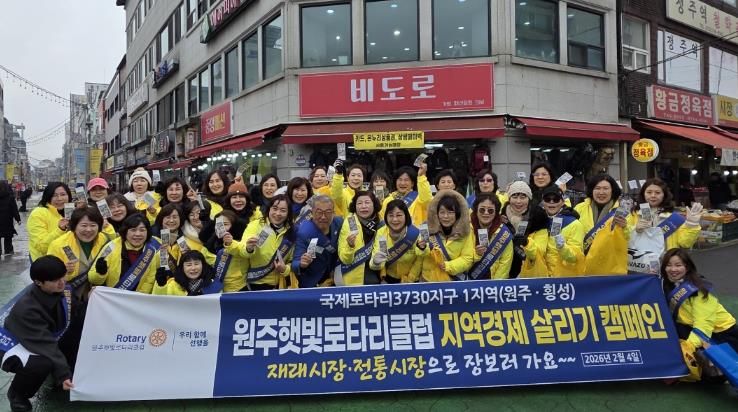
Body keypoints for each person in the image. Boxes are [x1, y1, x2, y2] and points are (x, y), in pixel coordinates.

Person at [1, 256, 81, 412]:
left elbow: (77, 311)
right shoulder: (27, 309)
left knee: (75, 330)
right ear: (38, 282)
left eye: (63, 276)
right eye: (55, 280)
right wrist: (63, 374)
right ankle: (18, 395)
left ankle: (61, 376)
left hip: (37, 337)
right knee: (41, 363)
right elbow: (45, 345)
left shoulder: (62, 290)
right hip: (10, 344)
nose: (62, 282)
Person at [662, 249, 738, 361]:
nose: (673, 269)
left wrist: (687, 348)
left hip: (721, 334)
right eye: (668, 265)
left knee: (728, 368)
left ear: (687, 267)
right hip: (689, 329)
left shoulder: (698, 288)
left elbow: (704, 324)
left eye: (678, 265)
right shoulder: (666, 284)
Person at [225, 194, 295, 290]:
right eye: (274, 209)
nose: (278, 213)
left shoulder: (292, 231)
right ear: (269, 209)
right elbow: (241, 250)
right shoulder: (255, 225)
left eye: (283, 210)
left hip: (280, 285)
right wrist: (249, 248)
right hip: (255, 284)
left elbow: (293, 261)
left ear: (288, 213)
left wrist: (285, 269)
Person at [88, 213, 161, 293]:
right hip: (112, 297)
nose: (138, 234)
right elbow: (92, 279)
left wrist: (138, 298)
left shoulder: (152, 250)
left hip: (138, 298)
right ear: (125, 231)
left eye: (142, 230)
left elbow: (149, 281)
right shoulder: (111, 247)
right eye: (133, 230)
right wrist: (100, 273)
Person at [47, 207, 111, 299]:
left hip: (99, 295)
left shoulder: (105, 240)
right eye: (84, 225)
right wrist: (62, 272)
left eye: (93, 225)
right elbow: (49, 275)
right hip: (70, 296)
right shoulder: (58, 245)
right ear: (74, 226)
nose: (88, 230)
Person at [574, 174, 629, 275]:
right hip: (583, 265)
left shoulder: (622, 211)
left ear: (612, 190)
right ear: (592, 190)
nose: (601, 192)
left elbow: (629, 238)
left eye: (605, 188)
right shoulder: (579, 208)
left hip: (609, 267)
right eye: (597, 188)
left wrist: (625, 227)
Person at [628, 178, 702, 252]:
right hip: (641, 257)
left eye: (657, 193)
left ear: (664, 195)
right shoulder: (634, 214)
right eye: (649, 192)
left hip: (667, 257)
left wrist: (691, 224)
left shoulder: (674, 217)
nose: (653, 195)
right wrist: (635, 230)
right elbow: (624, 239)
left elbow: (685, 243)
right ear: (643, 194)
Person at [419, 189, 474, 282]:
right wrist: (421, 248)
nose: (446, 216)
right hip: (428, 281)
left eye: (450, 212)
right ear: (436, 213)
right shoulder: (427, 228)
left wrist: (448, 266)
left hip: (453, 282)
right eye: (442, 212)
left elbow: (467, 258)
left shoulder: (466, 231)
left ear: (457, 214)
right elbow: (419, 256)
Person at [369, 199, 427, 283]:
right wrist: (376, 263)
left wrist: (410, 279)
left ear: (406, 216)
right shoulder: (382, 232)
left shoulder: (415, 233)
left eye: (399, 215)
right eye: (391, 215)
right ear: (386, 217)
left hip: (411, 280)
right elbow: (377, 257)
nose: (395, 219)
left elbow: (420, 260)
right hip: (387, 278)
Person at [291, 195, 343, 288]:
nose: (323, 217)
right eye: (319, 212)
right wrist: (302, 264)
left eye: (328, 212)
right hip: (313, 283)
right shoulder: (304, 232)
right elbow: (295, 264)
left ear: (333, 213)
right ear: (311, 213)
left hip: (336, 278)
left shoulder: (339, 223)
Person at [500, 181, 549, 278]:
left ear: (529, 198)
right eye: (514, 197)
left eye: (523, 197)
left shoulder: (539, 218)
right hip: (504, 272)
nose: (518, 201)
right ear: (509, 198)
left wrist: (527, 243)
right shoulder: (502, 216)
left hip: (529, 273)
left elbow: (540, 252)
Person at [337, 191, 382, 285]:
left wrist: (377, 263)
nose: (363, 206)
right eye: (359, 203)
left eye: (367, 202)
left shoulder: (381, 222)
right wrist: (350, 246)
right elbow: (345, 259)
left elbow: (383, 251)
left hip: (377, 271)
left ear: (374, 204)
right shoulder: (350, 222)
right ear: (355, 206)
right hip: (353, 275)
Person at [539, 186, 585, 277]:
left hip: (563, 279)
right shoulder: (537, 222)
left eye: (556, 199)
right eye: (547, 199)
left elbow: (576, 257)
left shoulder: (574, 224)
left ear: (563, 202)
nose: (551, 202)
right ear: (543, 202)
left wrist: (563, 248)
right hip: (540, 278)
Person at [469, 194, 513, 280]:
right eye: (482, 210)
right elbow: (462, 258)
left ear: (496, 212)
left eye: (490, 210)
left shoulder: (504, 232)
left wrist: (495, 285)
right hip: (469, 282)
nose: (486, 213)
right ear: (476, 210)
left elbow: (505, 263)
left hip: (494, 282)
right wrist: (476, 254)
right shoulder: (466, 229)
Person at [27, 182, 72, 262]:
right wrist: (60, 230)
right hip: (46, 263)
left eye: (63, 194)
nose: (59, 198)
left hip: (66, 260)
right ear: (48, 197)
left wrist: (72, 259)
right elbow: (41, 247)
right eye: (54, 195)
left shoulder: (69, 213)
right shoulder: (38, 213)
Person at [153, 250, 218, 296]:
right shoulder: (173, 285)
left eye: (196, 264)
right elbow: (160, 304)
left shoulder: (213, 285)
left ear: (203, 266)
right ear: (182, 268)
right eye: (189, 265)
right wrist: (161, 286)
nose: (193, 268)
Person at [0, 181, 21, 255]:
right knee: (8, 238)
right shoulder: (10, 197)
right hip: (7, 221)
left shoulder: (11, 197)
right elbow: (14, 210)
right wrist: (18, 219)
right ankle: (8, 251)